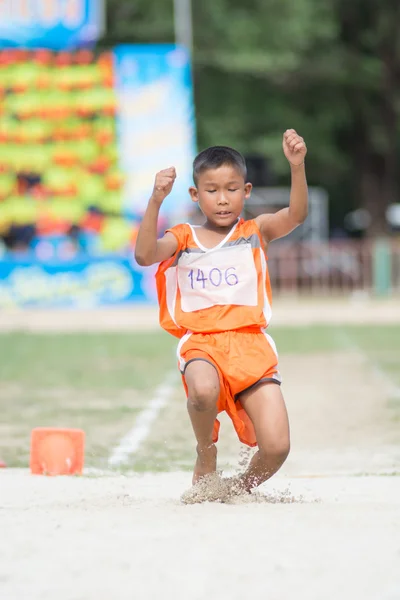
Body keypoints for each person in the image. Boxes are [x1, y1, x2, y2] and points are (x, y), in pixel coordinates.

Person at [135, 129, 308, 497]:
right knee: (202, 389)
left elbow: (295, 214)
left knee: (277, 447)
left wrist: (297, 167)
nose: (222, 199)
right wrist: (155, 200)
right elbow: (145, 255)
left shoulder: (255, 231)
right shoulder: (183, 237)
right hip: (202, 344)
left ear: (246, 192)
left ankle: (231, 489)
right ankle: (206, 453)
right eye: (211, 191)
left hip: (251, 347)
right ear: (196, 195)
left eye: (231, 189)